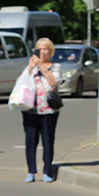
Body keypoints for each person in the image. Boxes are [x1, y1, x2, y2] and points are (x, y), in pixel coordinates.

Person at [21, 37, 60, 182]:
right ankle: (31, 171)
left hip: (49, 110)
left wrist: (41, 66)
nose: (42, 52)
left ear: (50, 51)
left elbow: (54, 82)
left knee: (48, 140)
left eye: (45, 49)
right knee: (30, 140)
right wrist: (31, 67)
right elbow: (20, 82)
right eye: (40, 49)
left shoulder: (55, 67)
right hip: (30, 109)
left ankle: (47, 171)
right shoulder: (31, 66)